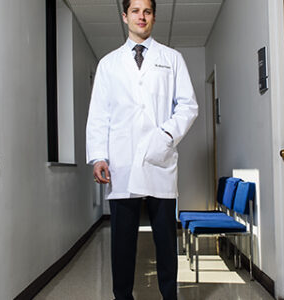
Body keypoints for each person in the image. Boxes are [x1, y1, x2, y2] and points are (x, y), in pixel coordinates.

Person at [85, 0, 198, 298]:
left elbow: (188, 106)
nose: (141, 16)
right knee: (122, 242)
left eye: (147, 11)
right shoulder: (109, 64)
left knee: (164, 240)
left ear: (154, 17)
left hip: (160, 160)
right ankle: (122, 296)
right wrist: (99, 156)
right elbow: (99, 114)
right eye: (135, 11)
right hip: (121, 163)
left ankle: (168, 295)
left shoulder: (171, 58)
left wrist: (166, 135)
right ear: (125, 16)